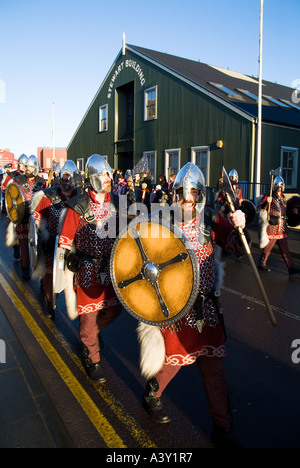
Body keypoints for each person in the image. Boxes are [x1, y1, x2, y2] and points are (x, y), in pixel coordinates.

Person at [137, 162, 247, 447]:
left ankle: (222, 426)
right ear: (175, 196)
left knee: (214, 368)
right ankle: (153, 393)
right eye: (183, 194)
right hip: (176, 306)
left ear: (200, 195)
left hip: (206, 307)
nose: (188, 199)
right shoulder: (161, 221)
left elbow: (234, 246)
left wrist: (238, 224)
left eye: (193, 194)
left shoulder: (211, 219)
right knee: (173, 361)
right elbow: (144, 261)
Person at [58, 154, 124, 382]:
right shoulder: (78, 205)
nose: (109, 178)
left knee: (115, 309)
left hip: (111, 269)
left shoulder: (116, 201)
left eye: (109, 174)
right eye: (105, 175)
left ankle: (91, 336)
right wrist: (63, 271)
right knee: (88, 317)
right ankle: (91, 356)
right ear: (95, 178)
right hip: (87, 269)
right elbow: (65, 241)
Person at [31, 160, 81, 317]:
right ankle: (50, 302)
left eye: (67, 177)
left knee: (75, 281)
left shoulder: (80, 197)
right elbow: (37, 215)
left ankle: (81, 317)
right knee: (51, 276)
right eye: (62, 176)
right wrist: (40, 231)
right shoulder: (49, 196)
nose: (64, 180)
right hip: (52, 243)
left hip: (74, 245)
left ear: (73, 178)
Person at [5, 155, 46, 279]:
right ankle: (25, 267)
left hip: (36, 217)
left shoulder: (41, 181)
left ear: (36, 168)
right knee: (23, 243)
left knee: (38, 245)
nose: (28, 169)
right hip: (22, 216)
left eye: (32, 167)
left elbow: (45, 199)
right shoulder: (18, 180)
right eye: (28, 167)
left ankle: (39, 271)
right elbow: (12, 195)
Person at [258, 175, 300, 275]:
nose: (279, 187)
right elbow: (261, 208)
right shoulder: (269, 196)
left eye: (281, 185)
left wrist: (293, 211)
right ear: (274, 186)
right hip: (273, 224)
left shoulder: (283, 197)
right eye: (277, 185)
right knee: (269, 246)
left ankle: (291, 267)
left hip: (282, 224)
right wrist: (266, 203)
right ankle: (261, 263)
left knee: (285, 247)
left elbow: (285, 210)